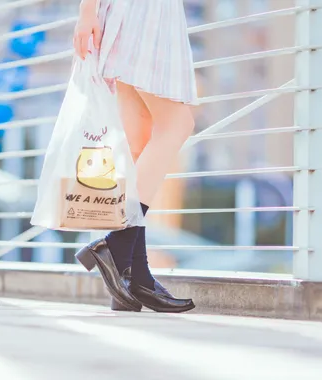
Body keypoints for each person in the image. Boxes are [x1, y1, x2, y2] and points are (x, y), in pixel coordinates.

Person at [73, 0, 198, 313]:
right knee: (177, 124)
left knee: (138, 141)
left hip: (142, 13)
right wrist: (87, 11)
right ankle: (117, 246)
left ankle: (134, 276)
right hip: (144, 13)